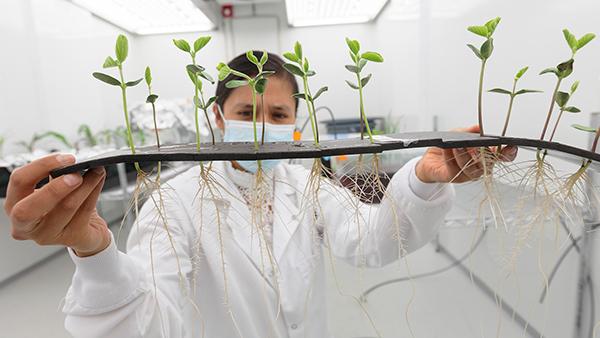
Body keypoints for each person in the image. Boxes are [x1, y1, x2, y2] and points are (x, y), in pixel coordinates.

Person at [4, 52, 517, 338]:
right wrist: (96, 255)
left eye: (278, 116)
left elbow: (371, 241)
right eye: (248, 113)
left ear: (297, 126)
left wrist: (424, 176)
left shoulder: (303, 183)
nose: (263, 127)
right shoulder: (173, 202)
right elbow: (150, 326)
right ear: (217, 117)